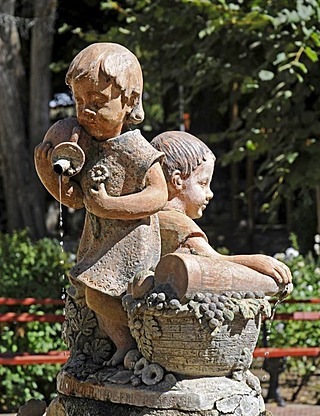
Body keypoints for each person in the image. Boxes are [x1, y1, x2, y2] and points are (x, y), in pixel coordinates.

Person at [35, 43, 168, 366]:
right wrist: (47, 174)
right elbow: (76, 200)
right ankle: (124, 346)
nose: (86, 111)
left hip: (131, 240)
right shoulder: (85, 147)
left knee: (100, 294)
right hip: (99, 239)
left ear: (129, 103)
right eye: (79, 101)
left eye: (98, 102)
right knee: (94, 295)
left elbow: (158, 196)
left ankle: (137, 343)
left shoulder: (135, 149)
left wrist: (110, 206)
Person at [150, 130, 292, 290]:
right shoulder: (175, 221)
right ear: (177, 181)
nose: (210, 194)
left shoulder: (155, 216)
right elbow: (214, 262)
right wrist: (257, 262)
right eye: (203, 183)